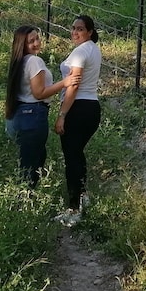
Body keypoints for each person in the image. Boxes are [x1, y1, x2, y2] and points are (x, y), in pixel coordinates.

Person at [4, 25, 79, 188]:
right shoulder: (34, 61)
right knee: (31, 166)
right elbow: (39, 93)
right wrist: (64, 83)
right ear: (22, 45)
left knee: (31, 159)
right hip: (33, 115)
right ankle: (24, 203)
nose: (36, 43)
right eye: (31, 41)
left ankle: (26, 198)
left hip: (19, 115)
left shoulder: (20, 61)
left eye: (37, 38)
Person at [54, 15, 102, 226]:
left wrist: (62, 114)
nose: (75, 32)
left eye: (80, 29)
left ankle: (73, 209)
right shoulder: (92, 48)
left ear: (90, 31)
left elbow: (73, 85)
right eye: (73, 28)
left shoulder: (80, 52)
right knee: (77, 154)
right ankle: (83, 197)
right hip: (92, 107)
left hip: (78, 108)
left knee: (71, 159)